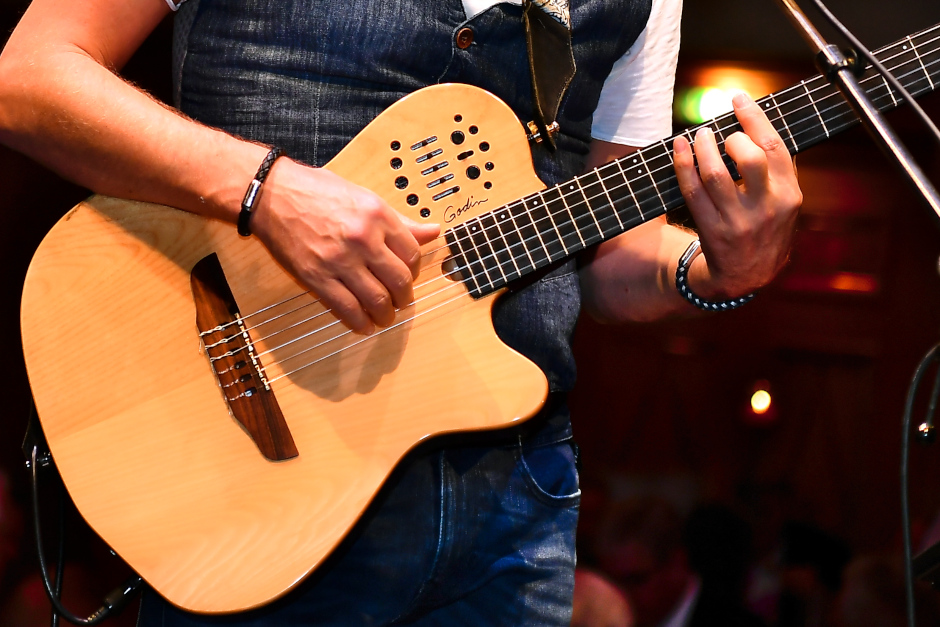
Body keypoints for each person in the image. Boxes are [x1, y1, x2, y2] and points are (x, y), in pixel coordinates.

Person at [0, 0, 802, 624]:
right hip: (260, 495)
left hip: (513, 513)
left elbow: (615, 259)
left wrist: (722, 269)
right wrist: (263, 187)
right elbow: (28, 75)